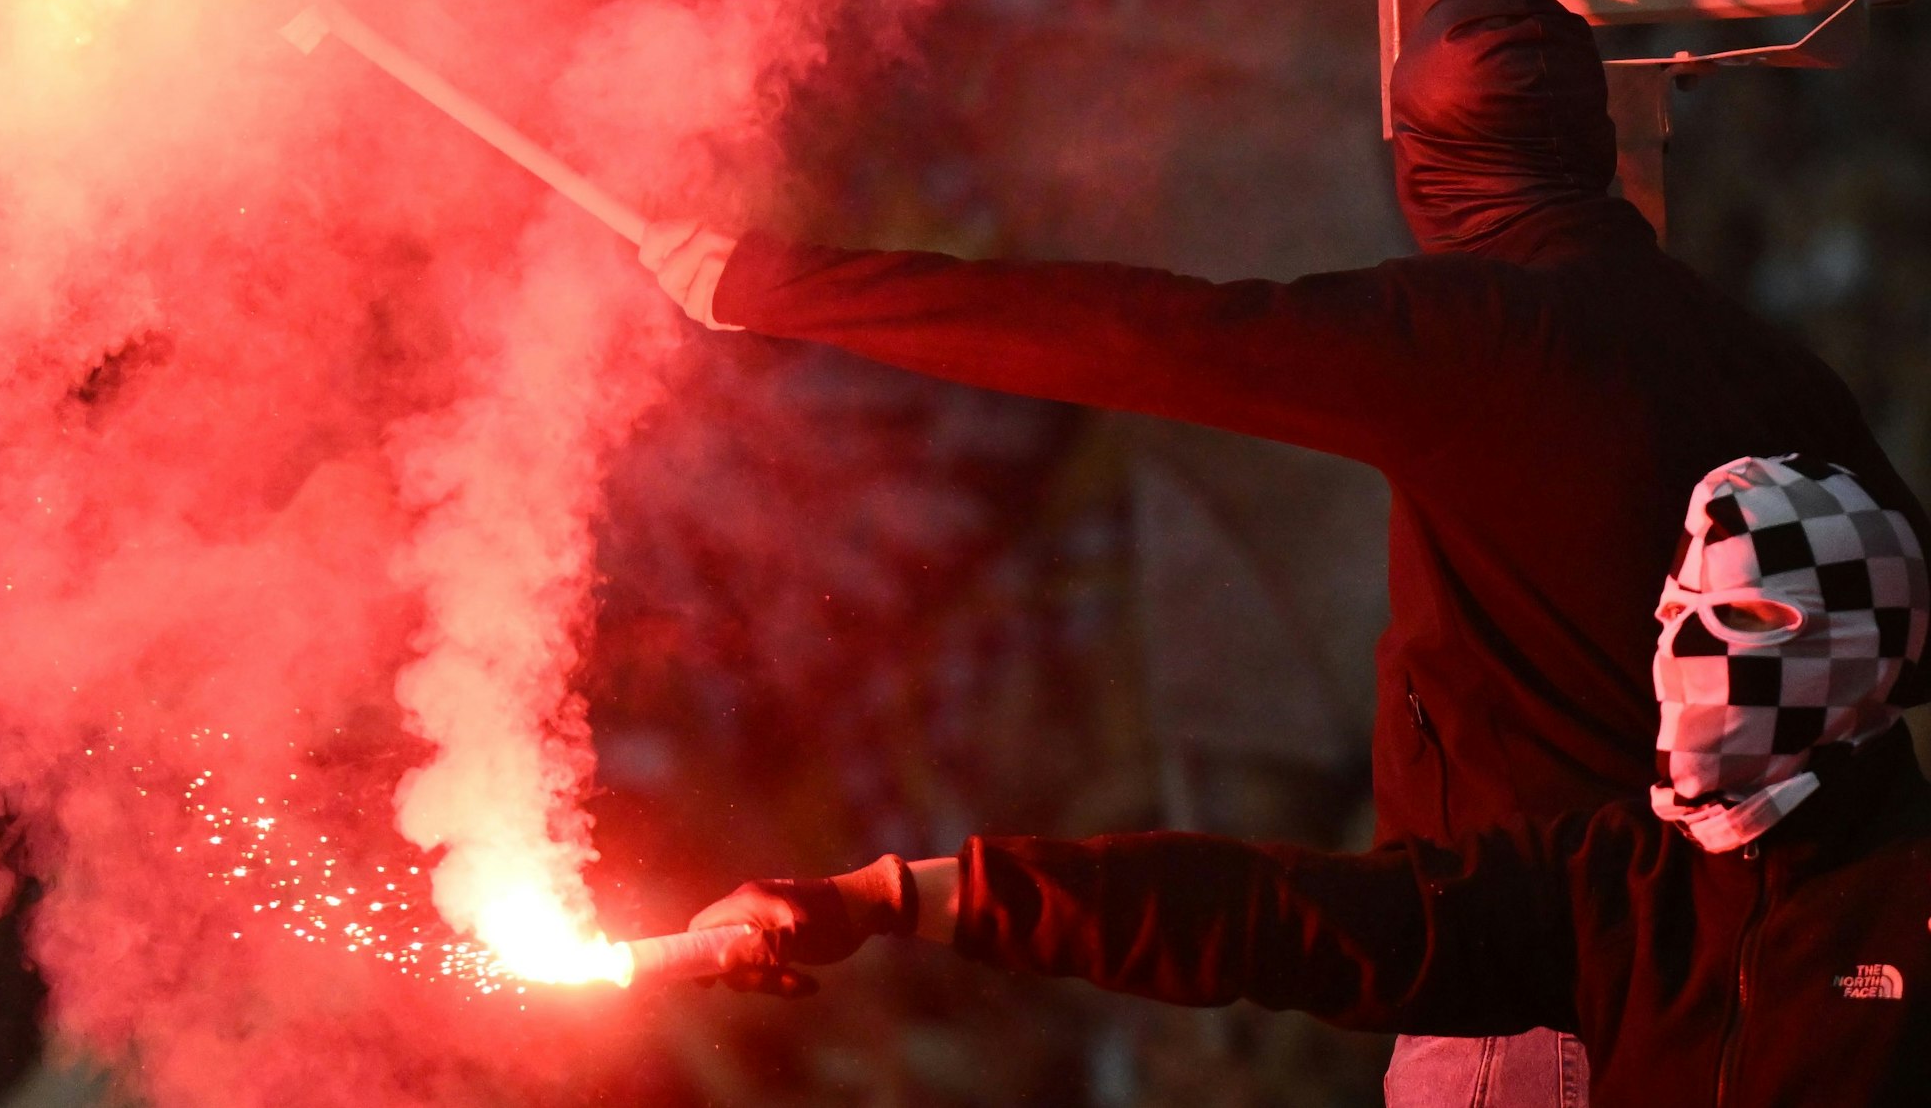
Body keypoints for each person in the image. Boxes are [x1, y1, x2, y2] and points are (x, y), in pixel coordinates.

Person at [637, 0, 1931, 1100]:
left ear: (1423, 159)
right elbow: (1904, 622)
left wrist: (769, 285)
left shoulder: (1467, 340)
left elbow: (1133, 334)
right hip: (1694, 943)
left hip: (1530, 994)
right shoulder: (1769, 368)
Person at [688, 455, 1931, 1108]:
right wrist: (896, 895)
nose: (1689, 657)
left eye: (1748, 618)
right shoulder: (1618, 882)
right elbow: (1286, 918)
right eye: (1675, 616)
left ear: (1863, 658)